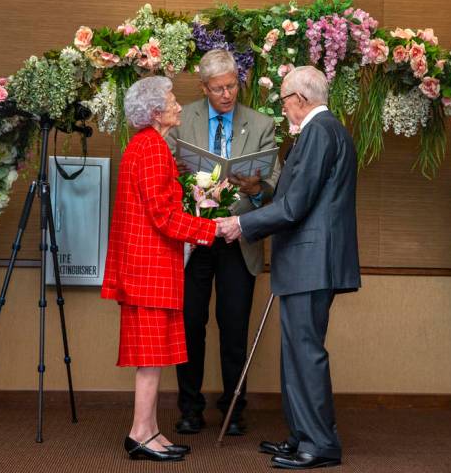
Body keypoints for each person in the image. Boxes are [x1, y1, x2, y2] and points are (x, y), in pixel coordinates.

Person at [216, 66, 361, 469]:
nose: (282, 109)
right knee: (295, 352)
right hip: (307, 261)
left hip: (311, 261)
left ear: (300, 99)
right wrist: (258, 196)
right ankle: (300, 437)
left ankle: (319, 444)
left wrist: (240, 224)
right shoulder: (327, 131)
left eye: (282, 100)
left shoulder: (318, 131)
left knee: (305, 353)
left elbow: (295, 207)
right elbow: (294, 198)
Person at [101, 76, 217, 462]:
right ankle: (139, 434)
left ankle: (149, 430)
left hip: (145, 267)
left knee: (153, 355)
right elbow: (164, 216)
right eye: (171, 100)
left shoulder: (145, 145)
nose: (178, 105)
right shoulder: (151, 147)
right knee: (150, 358)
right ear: (154, 112)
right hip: (148, 269)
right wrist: (212, 229)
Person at [166, 49, 279, 436]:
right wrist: (178, 176)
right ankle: (190, 408)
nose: (227, 94)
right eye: (218, 89)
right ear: (204, 88)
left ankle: (234, 408)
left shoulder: (261, 123)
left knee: (234, 327)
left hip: (238, 239)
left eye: (232, 86)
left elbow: (274, 185)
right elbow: (163, 180)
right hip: (194, 241)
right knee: (190, 325)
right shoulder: (182, 120)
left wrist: (258, 188)